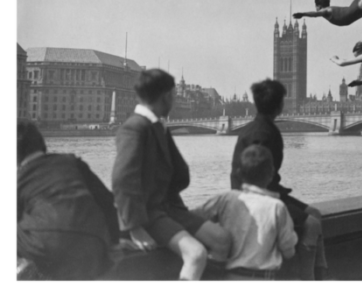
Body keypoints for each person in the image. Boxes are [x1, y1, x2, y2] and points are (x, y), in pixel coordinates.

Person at [112, 69, 231, 284]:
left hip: (169, 209)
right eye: (174, 95)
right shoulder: (134, 128)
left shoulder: (157, 126)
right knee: (196, 255)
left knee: (222, 240)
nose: (175, 100)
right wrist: (135, 228)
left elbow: (178, 174)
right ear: (165, 96)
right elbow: (122, 181)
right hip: (148, 214)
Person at [230, 79, 327, 282]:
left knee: (316, 214)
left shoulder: (258, 128)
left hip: (265, 190)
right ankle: (309, 278)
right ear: (280, 105)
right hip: (255, 195)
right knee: (312, 224)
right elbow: (254, 176)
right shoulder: (263, 133)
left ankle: (321, 276)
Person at [14, 119, 119, 282]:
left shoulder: (18, 179)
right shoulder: (73, 162)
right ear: (42, 144)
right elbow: (107, 202)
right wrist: (115, 241)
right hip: (94, 245)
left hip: (48, 248)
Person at [196, 145, 297, 282]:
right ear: (271, 174)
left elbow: (192, 217)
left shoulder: (226, 198)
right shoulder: (277, 207)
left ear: (239, 173)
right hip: (264, 279)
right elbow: (288, 251)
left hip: (230, 278)